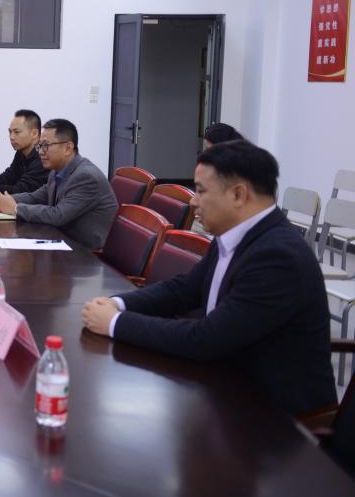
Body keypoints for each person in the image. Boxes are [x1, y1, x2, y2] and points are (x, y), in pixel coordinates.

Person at [81, 140, 336, 417]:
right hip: (226, 383)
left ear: (238, 194)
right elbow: (184, 290)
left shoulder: (277, 257)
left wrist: (115, 323)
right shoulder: (235, 233)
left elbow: (206, 339)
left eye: (201, 191)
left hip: (274, 414)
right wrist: (118, 304)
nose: (193, 201)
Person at [0, 119, 117, 249]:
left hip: (86, 252)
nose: (40, 152)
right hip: (63, 241)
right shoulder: (56, 171)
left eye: (46, 145)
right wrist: (5, 200)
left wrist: (15, 208)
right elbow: (35, 197)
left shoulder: (86, 177)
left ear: (68, 148)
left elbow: (58, 215)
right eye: (40, 146)